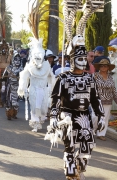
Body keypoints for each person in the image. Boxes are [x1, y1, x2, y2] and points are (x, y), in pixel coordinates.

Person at [45, 43, 105, 180]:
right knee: (70, 146)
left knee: (87, 146)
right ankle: (71, 173)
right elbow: (56, 99)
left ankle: (80, 168)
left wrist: (101, 116)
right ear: (72, 60)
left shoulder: (90, 79)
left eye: (85, 59)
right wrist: (53, 116)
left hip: (84, 115)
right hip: (67, 116)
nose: (83, 62)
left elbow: (95, 99)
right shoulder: (63, 78)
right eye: (80, 58)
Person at [18, 37, 55, 132]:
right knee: (34, 107)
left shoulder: (47, 66)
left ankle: (39, 120)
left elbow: (51, 76)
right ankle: (35, 123)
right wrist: (23, 87)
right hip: (33, 89)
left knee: (42, 108)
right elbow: (24, 75)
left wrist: (52, 88)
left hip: (43, 89)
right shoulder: (30, 66)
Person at [93, 57, 117, 141]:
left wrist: (116, 99)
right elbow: (91, 88)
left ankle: (101, 134)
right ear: (99, 67)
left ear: (108, 67)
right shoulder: (95, 76)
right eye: (101, 66)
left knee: (105, 118)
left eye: (105, 66)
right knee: (95, 117)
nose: (103, 67)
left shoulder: (110, 77)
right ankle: (91, 131)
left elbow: (113, 89)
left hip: (108, 101)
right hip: (96, 100)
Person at [0, 39, 13, 107]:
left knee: (7, 87)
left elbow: (12, 66)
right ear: (1, 49)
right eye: (3, 48)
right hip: (0, 74)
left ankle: (5, 100)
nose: (4, 49)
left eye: (5, 48)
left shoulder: (10, 57)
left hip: (8, 74)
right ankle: (0, 101)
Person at [3, 54, 23, 120]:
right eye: (16, 60)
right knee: (9, 101)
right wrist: (3, 86)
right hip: (10, 87)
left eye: (19, 60)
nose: (17, 61)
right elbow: (3, 78)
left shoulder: (22, 69)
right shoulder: (9, 68)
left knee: (16, 103)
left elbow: (24, 79)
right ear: (13, 60)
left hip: (18, 88)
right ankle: (9, 114)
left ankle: (14, 114)